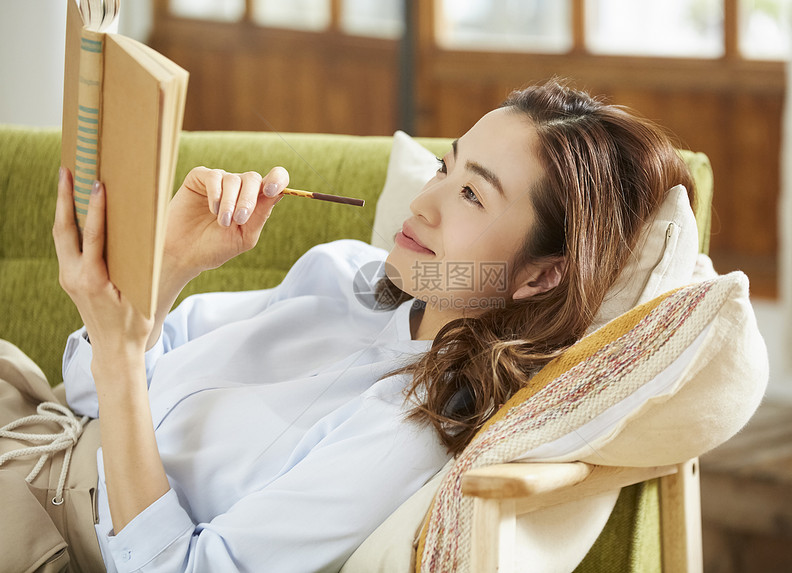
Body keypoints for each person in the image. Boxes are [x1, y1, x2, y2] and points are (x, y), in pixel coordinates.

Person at [1, 79, 693, 572]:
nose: (423, 203)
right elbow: (86, 390)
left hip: (47, 526)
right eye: (445, 168)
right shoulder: (345, 274)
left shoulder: (406, 432)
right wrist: (167, 271)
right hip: (30, 419)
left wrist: (122, 359)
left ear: (541, 275)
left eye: (473, 194)